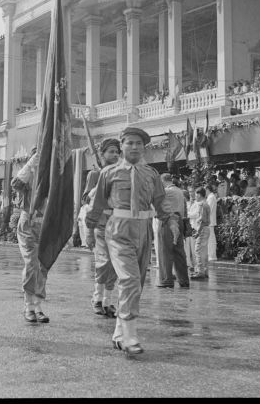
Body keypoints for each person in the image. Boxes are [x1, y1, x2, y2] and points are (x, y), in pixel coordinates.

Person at [86, 127, 177, 357]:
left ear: (143, 147)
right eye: (129, 143)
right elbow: (96, 205)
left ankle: (118, 334)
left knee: (137, 283)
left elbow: (160, 201)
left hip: (144, 230)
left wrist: (171, 221)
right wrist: (88, 229)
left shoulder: (151, 174)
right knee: (130, 279)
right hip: (118, 230)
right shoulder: (109, 173)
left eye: (138, 143)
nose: (134, 147)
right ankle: (130, 335)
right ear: (122, 145)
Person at [11, 147, 51, 323]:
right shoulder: (29, 175)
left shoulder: (52, 176)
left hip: (46, 224)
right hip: (29, 223)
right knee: (32, 264)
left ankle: (38, 305)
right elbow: (16, 184)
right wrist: (31, 164)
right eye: (39, 157)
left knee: (43, 265)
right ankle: (28, 306)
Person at [83, 138, 121, 317]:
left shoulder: (121, 172)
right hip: (100, 222)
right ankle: (97, 298)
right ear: (102, 154)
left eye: (116, 152)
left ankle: (108, 300)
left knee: (115, 263)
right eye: (110, 151)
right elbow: (86, 199)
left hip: (118, 224)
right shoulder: (95, 174)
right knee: (103, 262)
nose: (114, 155)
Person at [157, 173, 190, 289]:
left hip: (168, 219)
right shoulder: (180, 191)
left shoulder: (166, 191)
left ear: (162, 180)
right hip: (179, 219)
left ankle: (166, 280)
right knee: (179, 251)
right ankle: (184, 280)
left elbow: (156, 204)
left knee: (165, 250)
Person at [190, 188, 210, 280]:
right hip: (206, 228)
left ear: (199, 194)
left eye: (195, 195)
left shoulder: (202, 204)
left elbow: (202, 220)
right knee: (204, 251)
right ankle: (205, 271)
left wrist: (198, 231)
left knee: (198, 250)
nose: (195, 197)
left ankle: (200, 271)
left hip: (202, 229)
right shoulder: (206, 204)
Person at [184, 186, 197, 271]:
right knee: (187, 249)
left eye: (192, 191)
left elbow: (195, 214)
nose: (191, 193)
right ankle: (190, 265)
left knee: (194, 249)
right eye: (189, 192)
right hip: (187, 228)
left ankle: (196, 266)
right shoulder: (188, 203)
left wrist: (186, 215)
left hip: (195, 228)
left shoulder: (198, 203)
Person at [205, 184, 218, 261]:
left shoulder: (211, 197)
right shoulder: (211, 197)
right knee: (210, 238)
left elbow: (208, 209)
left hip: (210, 221)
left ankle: (212, 255)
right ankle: (211, 255)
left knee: (211, 239)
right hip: (210, 221)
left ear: (207, 189)